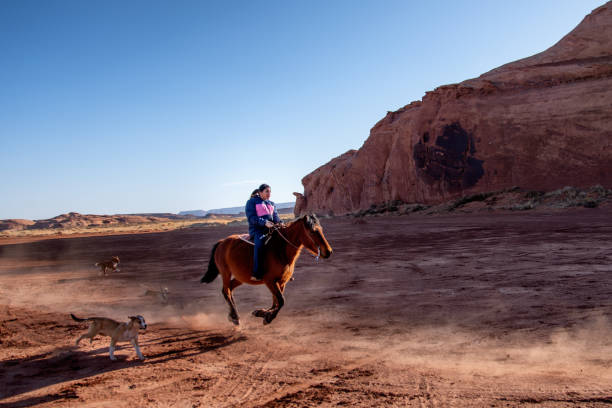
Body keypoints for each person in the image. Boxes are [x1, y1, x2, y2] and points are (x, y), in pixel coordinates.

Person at [245, 183, 282, 280]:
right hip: (257, 230)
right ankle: (256, 272)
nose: (269, 194)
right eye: (267, 191)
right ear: (260, 192)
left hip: (271, 229)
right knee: (260, 244)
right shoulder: (252, 202)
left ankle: (282, 270)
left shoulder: (271, 203)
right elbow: (251, 218)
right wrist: (264, 222)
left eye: (270, 192)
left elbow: (276, 217)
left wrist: (280, 222)